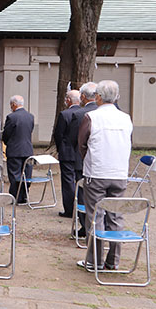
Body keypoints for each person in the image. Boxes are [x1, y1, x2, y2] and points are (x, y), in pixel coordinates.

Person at [77, 80, 133, 271]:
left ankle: (95, 260)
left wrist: (90, 160)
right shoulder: (126, 118)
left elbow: (82, 144)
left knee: (95, 216)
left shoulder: (91, 117)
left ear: (98, 97)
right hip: (119, 173)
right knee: (116, 215)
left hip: (97, 173)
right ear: (117, 97)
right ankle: (113, 260)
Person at [68, 81, 98, 236]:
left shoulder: (79, 114)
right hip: (103, 164)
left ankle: (85, 227)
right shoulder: (108, 112)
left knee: (82, 195)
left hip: (82, 160)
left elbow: (74, 139)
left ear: (84, 97)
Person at [54, 89, 81, 217]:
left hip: (67, 152)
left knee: (68, 181)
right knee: (79, 179)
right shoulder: (84, 113)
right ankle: (81, 208)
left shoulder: (64, 114)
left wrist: (61, 148)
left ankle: (69, 209)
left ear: (69, 100)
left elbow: (58, 134)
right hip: (80, 153)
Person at [2, 95, 34, 203]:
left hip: (14, 149)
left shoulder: (11, 117)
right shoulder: (30, 116)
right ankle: (24, 195)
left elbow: (6, 134)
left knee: (15, 174)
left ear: (14, 104)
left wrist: (7, 142)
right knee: (27, 174)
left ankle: (15, 196)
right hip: (27, 149)